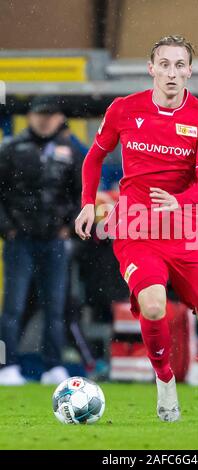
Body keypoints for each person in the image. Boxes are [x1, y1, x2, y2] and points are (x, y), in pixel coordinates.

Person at [75, 35, 198, 422]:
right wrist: (88, 203)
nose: (171, 72)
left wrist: (180, 201)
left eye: (179, 65)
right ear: (151, 68)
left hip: (185, 229)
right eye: (164, 64)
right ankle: (165, 384)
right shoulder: (123, 109)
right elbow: (94, 157)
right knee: (154, 306)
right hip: (136, 228)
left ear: (189, 71)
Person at [0, 95, 83, 385]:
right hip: (19, 240)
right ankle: (6, 365)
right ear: (30, 117)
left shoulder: (71, 152)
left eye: (51, 114)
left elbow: (81, 195)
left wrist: (68, 227)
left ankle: (54, 366)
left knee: (56, 306)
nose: (45, 119)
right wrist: (8, 228)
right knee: (13, 306)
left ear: (60, 117)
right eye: (40, 114)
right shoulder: (10, 149)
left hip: (54, 241)